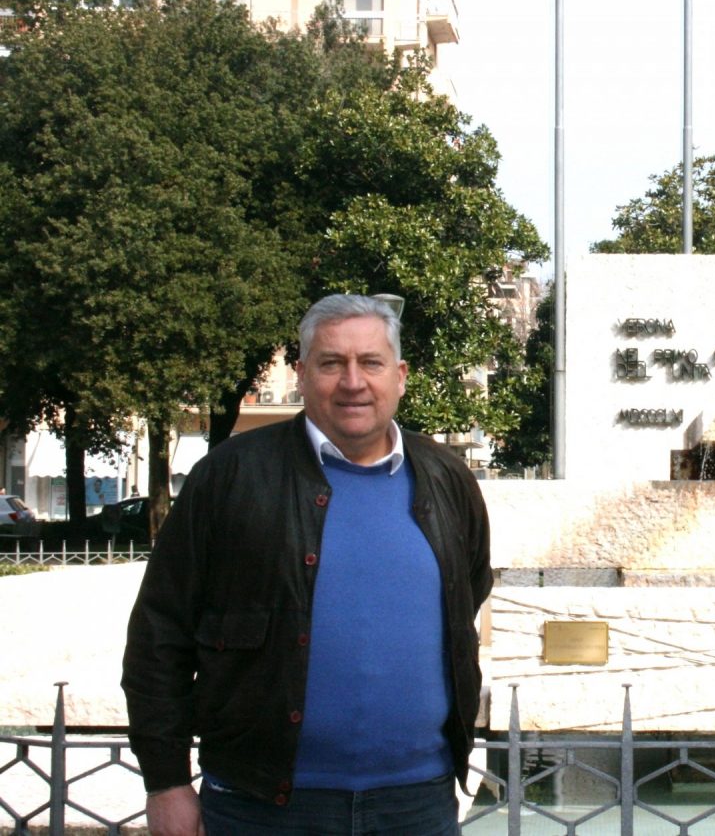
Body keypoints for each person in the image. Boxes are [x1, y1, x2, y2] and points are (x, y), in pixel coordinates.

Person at [122, 294, 492, 836]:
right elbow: (160, 632)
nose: (352, 381)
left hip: (417, 804)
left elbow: (470, 589)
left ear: (400, 375)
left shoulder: (446, 477)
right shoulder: (229, 476)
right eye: (330, 363)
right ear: (300, 374)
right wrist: (166, 782)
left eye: (370, 362)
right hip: (261, 806)